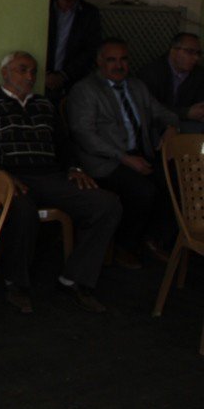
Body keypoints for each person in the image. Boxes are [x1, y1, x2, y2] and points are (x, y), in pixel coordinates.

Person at [0, 52, 121, 313]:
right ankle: (17, 284)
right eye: (22, 70)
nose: (29, 76)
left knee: (107, 204)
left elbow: (64, 145)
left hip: (51, 177)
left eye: (33, 72)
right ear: (5, 73)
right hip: (12, 178)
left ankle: (74, 279)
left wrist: (74, 168)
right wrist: (5, 177)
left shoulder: (45, 106)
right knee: (22, 210)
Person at [68, 38, 179, 268]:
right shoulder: (85, 90)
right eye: (111, 60)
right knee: (143, 191)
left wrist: (171, 127)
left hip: (141, 153)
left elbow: (164, 113)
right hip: (105, 161)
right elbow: (86, 136)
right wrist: (125, 158)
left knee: (173, 180)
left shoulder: (136, 86)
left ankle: (154, 239)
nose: (119, 66)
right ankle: (124, 245)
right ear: (99, 62)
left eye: (123, 59)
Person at [45, 0, 102, 100]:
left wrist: (64, 75)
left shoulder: (89, 14)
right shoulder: (43, 10)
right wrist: (45, 74)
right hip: (42, 78)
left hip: (75, 80)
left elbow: (92, 49)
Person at [138, 32, 204, 133]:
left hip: (188, 124)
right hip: (156, 125)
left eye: (198, 53)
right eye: (190, 52)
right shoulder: (151, 73)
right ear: (173, 51)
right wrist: (185, 113)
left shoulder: (198, 74)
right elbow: (149, 108)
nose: (196, 58)